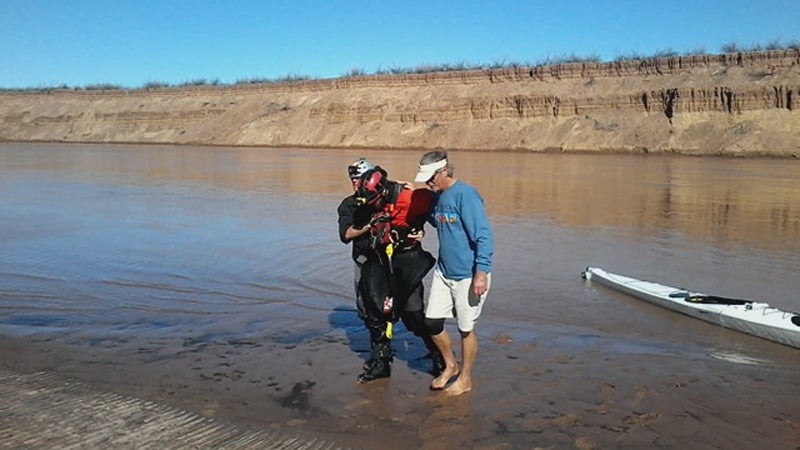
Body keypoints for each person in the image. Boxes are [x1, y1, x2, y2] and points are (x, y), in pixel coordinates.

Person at [338, 159, 443, 383]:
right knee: (374, 314)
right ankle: (381, 361)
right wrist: (369, 225)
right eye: (354, 179)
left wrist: (419, 230)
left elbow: (434, 208)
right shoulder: (351, 204)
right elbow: (345, 234)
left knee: (413, 313)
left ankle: (439, 355)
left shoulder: (401, 196)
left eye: (361, 178)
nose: (356, 183)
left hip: (402, 262)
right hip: (371, 263)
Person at [414, 150, 494, 396]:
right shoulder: (438, 197)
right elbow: (440, 221)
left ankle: (465, 378)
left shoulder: (466, 195)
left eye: (431, 177)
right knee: (432, 322)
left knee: (465, 328)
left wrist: (481, 271)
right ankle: (450, 365)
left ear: (444, 171)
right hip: (443, 271)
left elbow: (484, 236)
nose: (428, 182)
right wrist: (420, 230)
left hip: (469, 275)